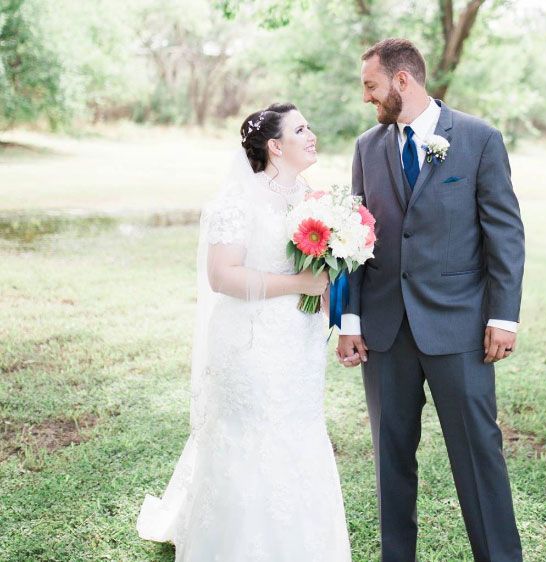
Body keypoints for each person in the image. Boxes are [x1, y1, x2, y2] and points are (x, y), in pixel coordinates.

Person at [337, 38, 525, 562]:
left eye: (371, 87)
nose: (367, 99)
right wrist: (350, 318)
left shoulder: (478, 139)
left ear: (402, 80)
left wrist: (503, 316)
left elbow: (504, 234)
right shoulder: (366, 148)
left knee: (478, 455)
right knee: (390, 460)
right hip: (385, 331)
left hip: (460, 327)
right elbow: (355, 239)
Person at [137, 103, 351, 562]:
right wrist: (298, 284)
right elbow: (222, 276)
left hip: (299, 346)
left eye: (309, 126)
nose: (311, 134)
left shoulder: (310, 198)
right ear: (276, 146)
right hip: (251, 345)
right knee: (253, 434)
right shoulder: (238, 201)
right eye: (300, 129)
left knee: (300, 431)